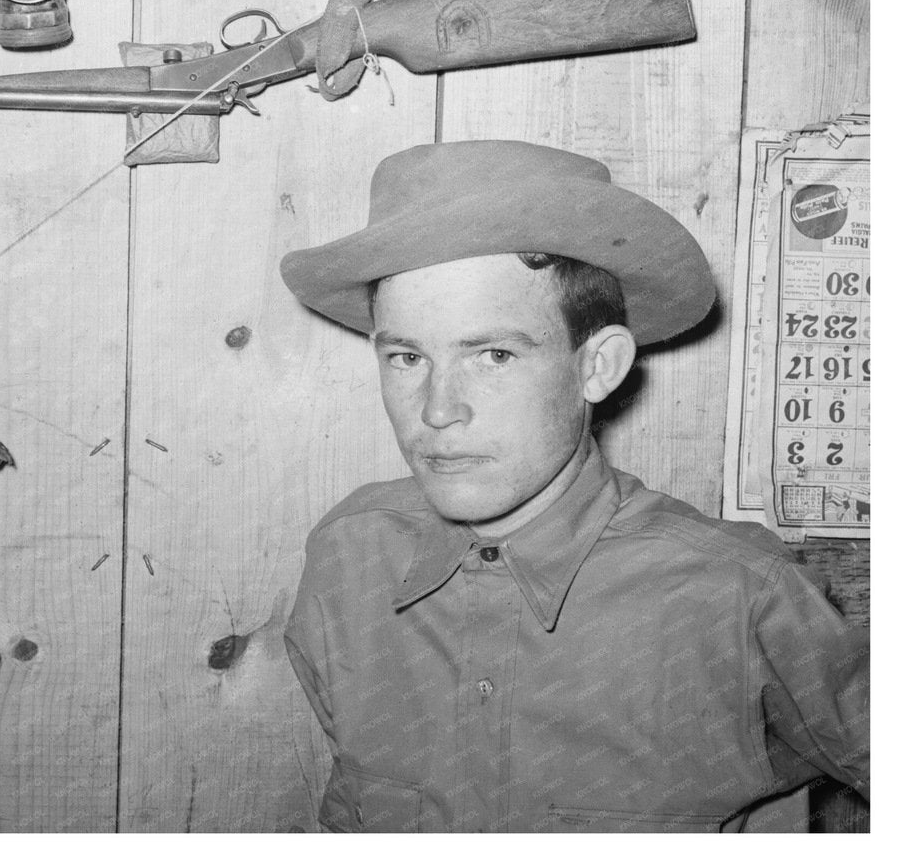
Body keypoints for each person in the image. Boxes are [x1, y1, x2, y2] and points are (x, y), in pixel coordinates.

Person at [278, 140, 869, 833]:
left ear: (599, 366)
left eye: (493, 355)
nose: (437, 409)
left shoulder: (739, 597)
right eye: (407, 356)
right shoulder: (349, 561)